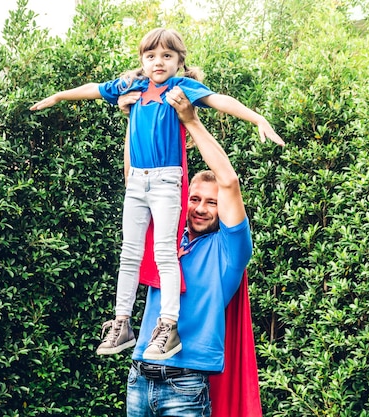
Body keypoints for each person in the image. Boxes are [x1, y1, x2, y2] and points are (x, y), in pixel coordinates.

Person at [31, 28, 284, 361]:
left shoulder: (180, 89)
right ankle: (121, 323)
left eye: (167, 56)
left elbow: (218, 100)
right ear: (142, 61)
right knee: (130, 253)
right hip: (137, 181)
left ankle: (168, 325)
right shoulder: (132, 88)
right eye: (151, 56)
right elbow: (94, 89)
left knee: (165, 250)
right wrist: (60, 96)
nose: (158, 62)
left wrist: (257, 118)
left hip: (166, 180)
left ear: (180, 61)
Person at [117, 85, 284, 416]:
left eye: (212, 202)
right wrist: (134, 117)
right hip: (139, 378)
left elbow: (229, 181)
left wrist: (190, 119)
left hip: (186, 387)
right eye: (195, 199)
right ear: (182, 199)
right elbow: (134, 179)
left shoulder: (229, 250)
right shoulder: (166, 240)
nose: (201, 208)